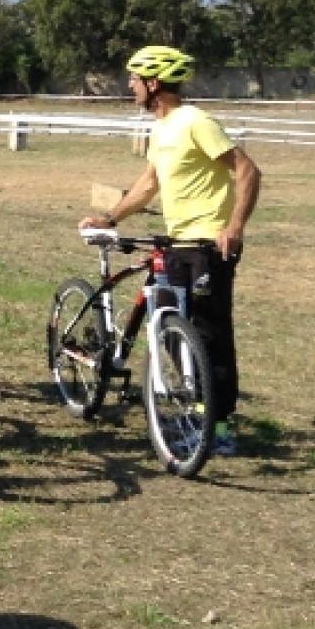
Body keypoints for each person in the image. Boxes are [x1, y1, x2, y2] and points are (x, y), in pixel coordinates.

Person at [79, 46, 261, 455]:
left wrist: (234, 227)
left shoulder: (195, 121)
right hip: (177, 243)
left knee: (212, 336)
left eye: (134, 79)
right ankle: (199, 410)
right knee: (177, 333)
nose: (129, 86)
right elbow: (148, 185)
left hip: (208, 245)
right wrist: (109, 219)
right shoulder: (161, 129)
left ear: (153, 83)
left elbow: (247, 170)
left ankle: (221, 427)